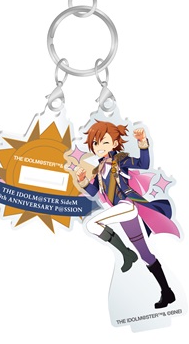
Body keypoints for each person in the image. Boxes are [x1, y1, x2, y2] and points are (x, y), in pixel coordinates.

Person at [76, 120, 179, 309]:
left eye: (104, 142)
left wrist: (142, 143)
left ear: (114, 144)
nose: (99, 147)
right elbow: (94, 192)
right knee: (146, 255)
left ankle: (125, 253)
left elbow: (143, 163)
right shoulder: (99, 169)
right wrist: (82, 181)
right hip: (121, 214)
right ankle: (167, 292)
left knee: (91, 224)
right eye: (96, 143)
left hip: (128, 206)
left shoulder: (120, 159)